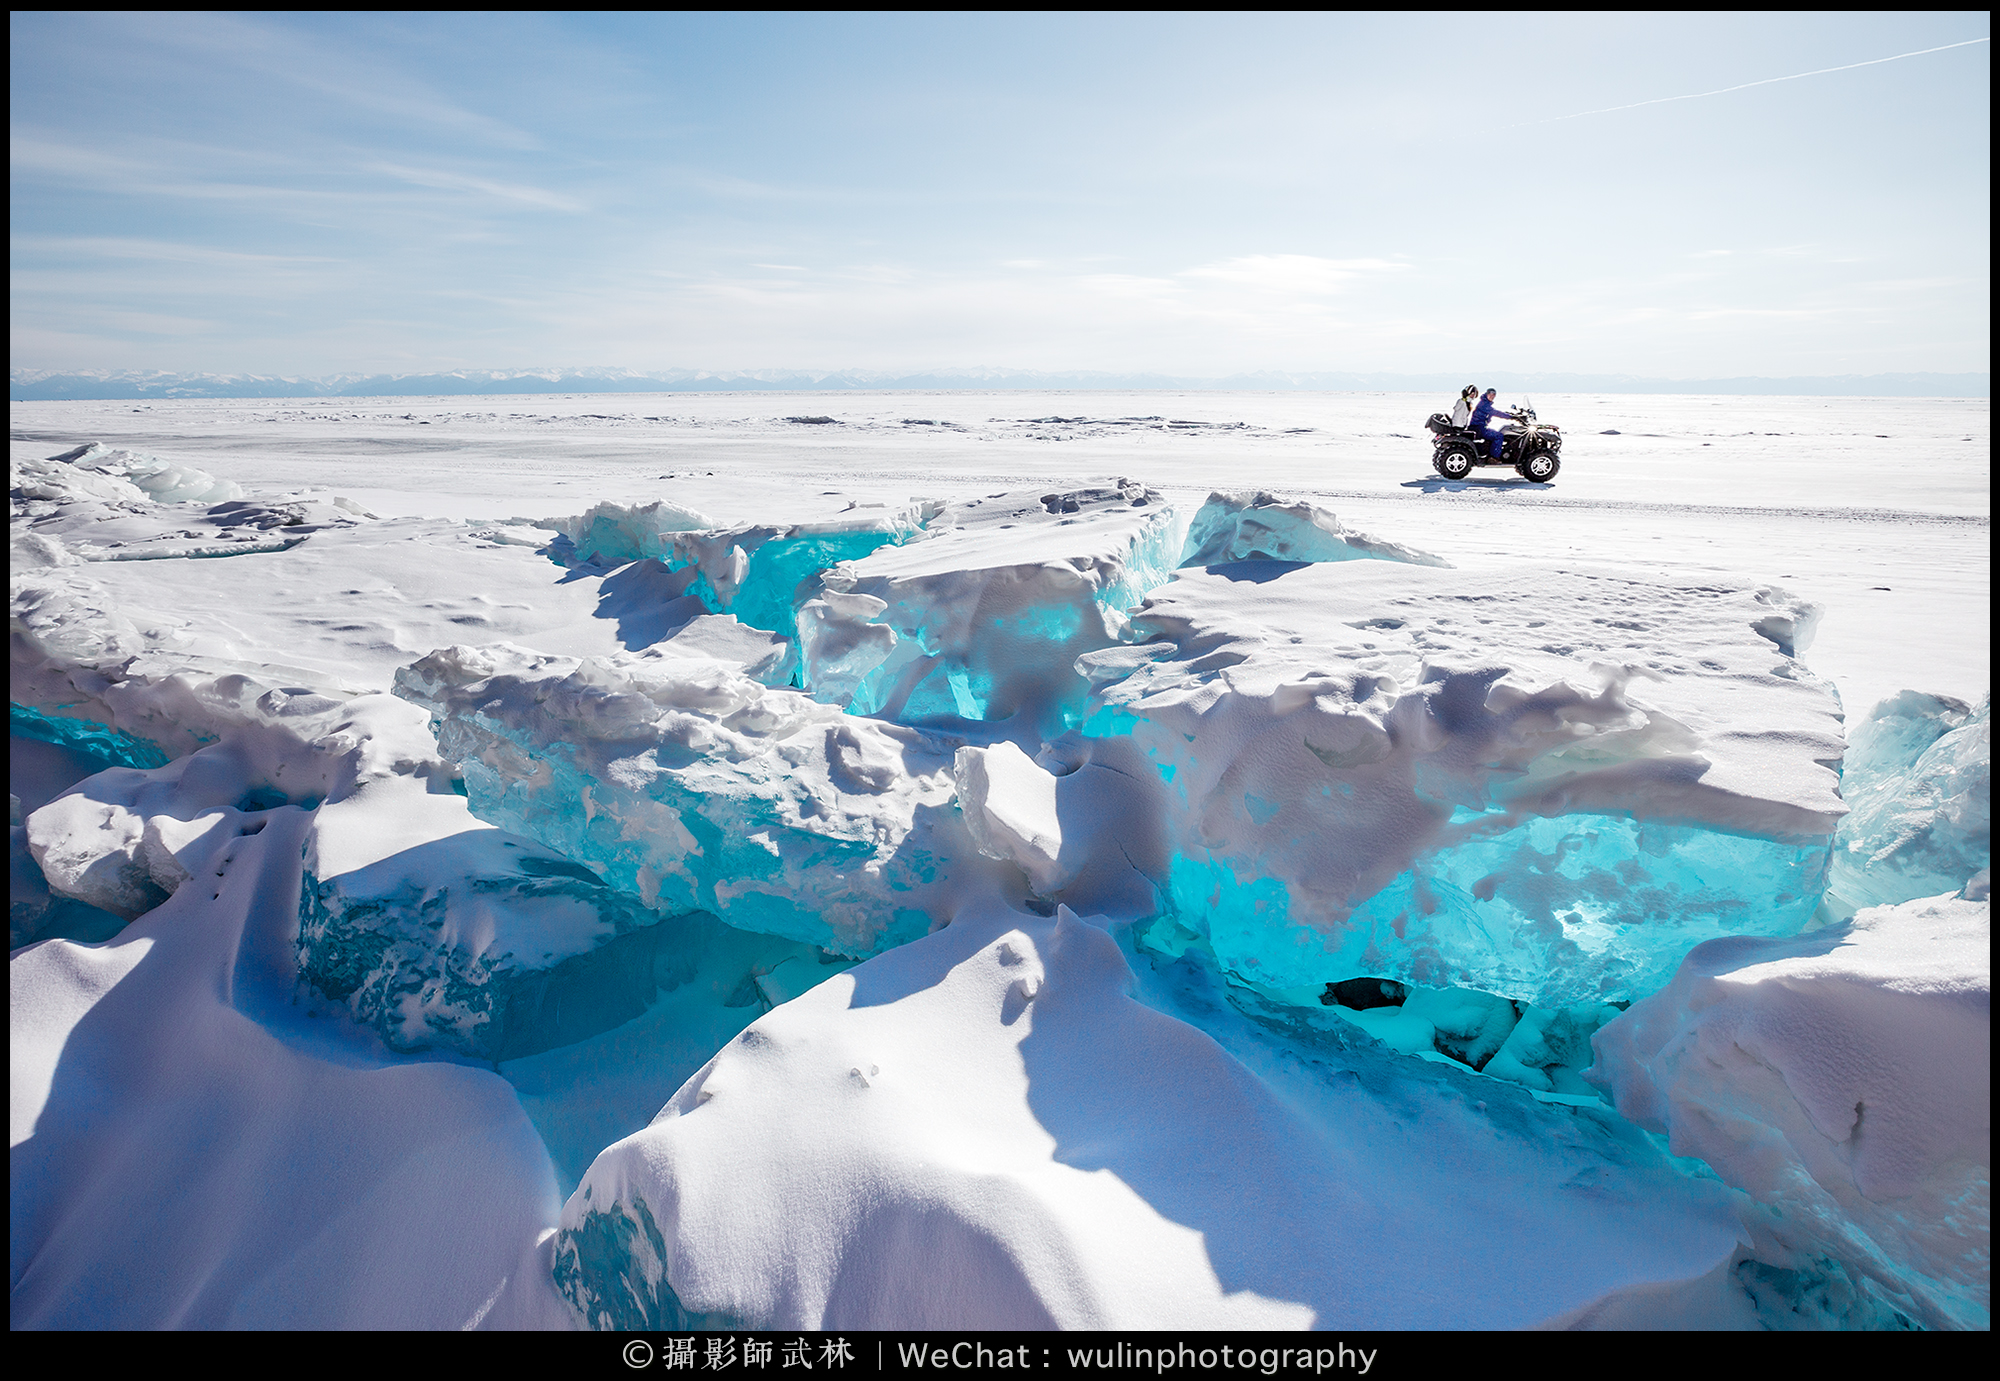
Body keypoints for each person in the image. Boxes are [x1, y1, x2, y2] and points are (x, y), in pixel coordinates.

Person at [1468, 387, 1516, 459]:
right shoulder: (1484, 404)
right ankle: (1494, 457)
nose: (1492, 396)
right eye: (1490, 394)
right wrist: (1511, 417)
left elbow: (1494, 412)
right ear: (1486, 394)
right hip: (1478, 428)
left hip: (1480, 427)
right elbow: (1495, 412)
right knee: (1499, 436)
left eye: (1494, 395)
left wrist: (1510, 414)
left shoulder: (1485, 403)